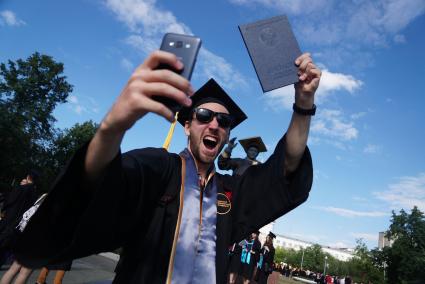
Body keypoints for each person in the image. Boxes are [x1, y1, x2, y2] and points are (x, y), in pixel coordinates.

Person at [14, 50, 321, 284]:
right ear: (187, 126)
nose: (214, 124)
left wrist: (304, 103)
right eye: (203, 115)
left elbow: (286, 167)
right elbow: (96, 182)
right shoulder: (159, 167)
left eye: (223, 122)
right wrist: (111, 129)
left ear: (227, 133)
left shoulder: (231, 192)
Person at [220, 136, 267, 284]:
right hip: (232, 199)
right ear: (247, 151)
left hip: (246, 203)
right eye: (251, 149)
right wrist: (228, 149)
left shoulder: (260, 167)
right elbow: (222, 164)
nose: (253, 152)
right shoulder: (239, 162)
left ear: (258, 153)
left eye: (255, 150)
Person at [0, 171, 39, 268]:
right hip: (21, 221)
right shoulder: (34, 193)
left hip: (10, 217)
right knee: (9, 242)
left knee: (2, 238)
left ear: (28, 177)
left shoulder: (21, 188)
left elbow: (9, 201)